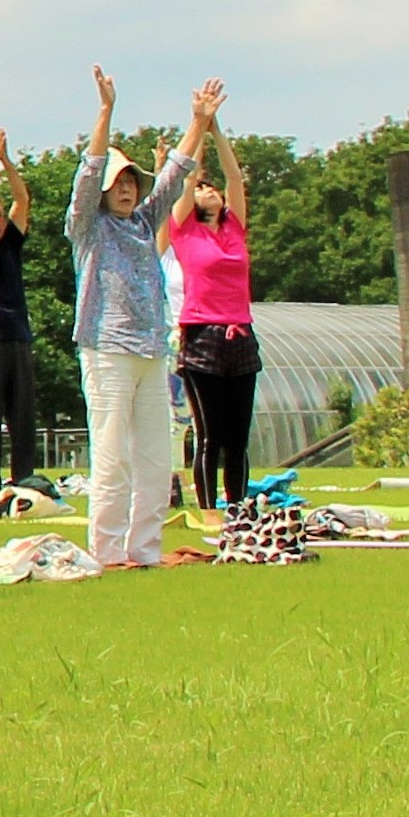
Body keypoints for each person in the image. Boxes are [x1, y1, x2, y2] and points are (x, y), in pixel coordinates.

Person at [71, 67, 194, 568]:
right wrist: (105, 113)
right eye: (117, 182)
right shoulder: (88, 226)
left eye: (131, 182)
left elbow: (176, 175)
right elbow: (87, 171)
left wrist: (200, 121)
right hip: (107, 349)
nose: (125, 189)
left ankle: (144, 550)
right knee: (112, 454)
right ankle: (106, 549)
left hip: (151, 350)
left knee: (154, 459)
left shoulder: (144, 222)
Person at [168, 81, 259, 515]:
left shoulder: (234, 228)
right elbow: (185, 180)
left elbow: (235, 175)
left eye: (211, 187)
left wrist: (217, 127)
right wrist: (197, 124)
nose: (208, 190)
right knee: (210, 434)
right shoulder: (185, 229)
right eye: (202, 187)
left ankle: (238, 507)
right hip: (201, 333)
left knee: (238, 435)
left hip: (240, 333)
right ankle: (207, 509)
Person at [0, 135, 39, 496]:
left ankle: (25, 478)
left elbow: (22, 199)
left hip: (18, 335)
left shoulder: (11, 244)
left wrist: (6, 162)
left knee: (22, 414)